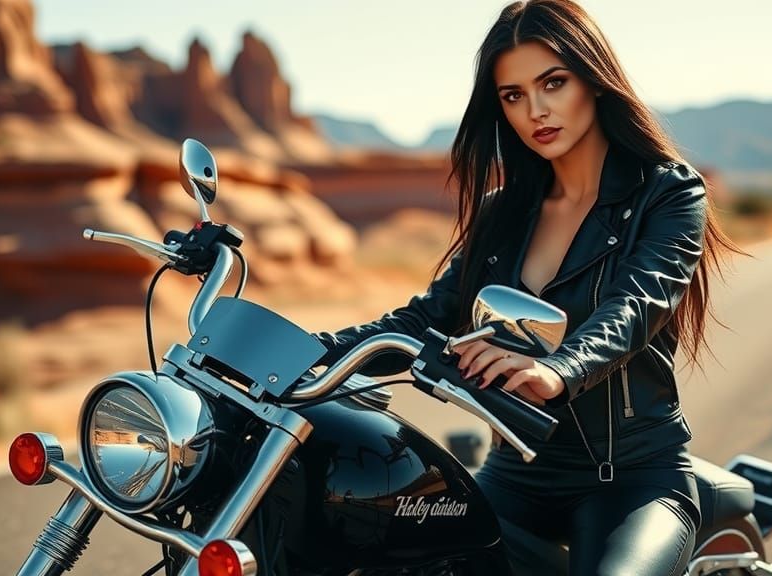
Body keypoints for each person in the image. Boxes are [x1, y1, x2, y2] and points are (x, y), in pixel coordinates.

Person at [312, 1, 744, 574]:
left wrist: (558, 369)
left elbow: (637, 305)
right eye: (513, 95)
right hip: (516, 472)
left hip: (631, 478)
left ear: (594, 79)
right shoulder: (504, 212)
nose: (535, 110)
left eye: (553, 83)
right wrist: (306, 350)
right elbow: (427, 316)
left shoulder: (667, 194)